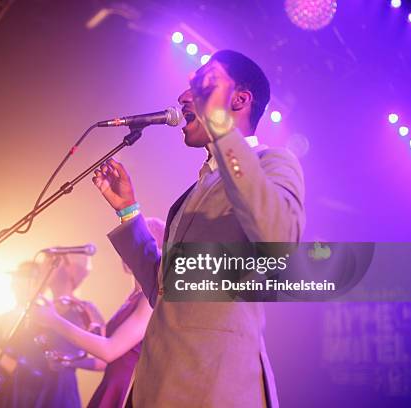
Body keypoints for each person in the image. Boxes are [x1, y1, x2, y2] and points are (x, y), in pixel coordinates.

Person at [91, 50, 306, 407]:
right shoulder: (198, 188)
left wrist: (221, 127)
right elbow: (165, 289)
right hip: (155, 385)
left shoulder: (272, 162)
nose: (184, 97)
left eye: (203, 85)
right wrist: (129, 213)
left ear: (239, 99)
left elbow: (280, 239)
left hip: (215, 385)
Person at [33, 218, 165, 408]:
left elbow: (109, 351)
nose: (125, 250)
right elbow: (105, 361)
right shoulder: (134, 297)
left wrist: (53, 320)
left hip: (126, 390)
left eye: (133, 243)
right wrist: (70, 362)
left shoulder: (149, 299)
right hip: (111, 385)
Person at [0, 256, 103, 408]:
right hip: (24, 393)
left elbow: (103, 359)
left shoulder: (83, 310)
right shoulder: (38, 312)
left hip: (58, 390)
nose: (16, 286)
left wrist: (67, 361)